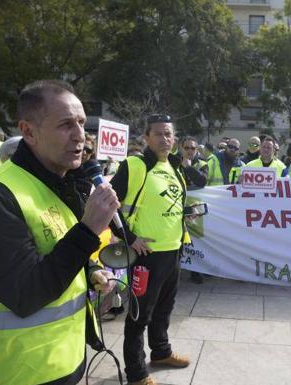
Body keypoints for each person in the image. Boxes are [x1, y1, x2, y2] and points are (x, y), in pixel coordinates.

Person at [0, 80, 117, 385]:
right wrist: (87, 230)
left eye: (82, 123)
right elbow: (25, 293)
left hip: (66, 359)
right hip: (24, 371)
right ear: (28, 131)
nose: (80, 136)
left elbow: (54, 249)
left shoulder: (59, 182)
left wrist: (92, 268)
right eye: (65, 125)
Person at [110, 114, 192, 385]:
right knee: (139, 315)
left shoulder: (175, 167)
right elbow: (108, 205)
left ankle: (161, 352)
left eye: (168, 134)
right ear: (146, 137)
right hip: (146, 255)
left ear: (174, 138)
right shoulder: (134, 165)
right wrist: (129, 237)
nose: (164, 139)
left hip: (173, 250)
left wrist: (185, 215)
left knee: (164, 308)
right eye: (158, 134)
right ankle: (135, 373)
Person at [179, 136, 208, 284]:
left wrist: (188, 168)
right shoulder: (173, 162)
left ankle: (195, 271)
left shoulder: (202, 164)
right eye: (187, 148)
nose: (190, 151)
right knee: (178, 238)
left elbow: (202, 182)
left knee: (194, 240)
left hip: (195, 208)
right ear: (181, 148)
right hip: (177, 206)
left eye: (193, 148)